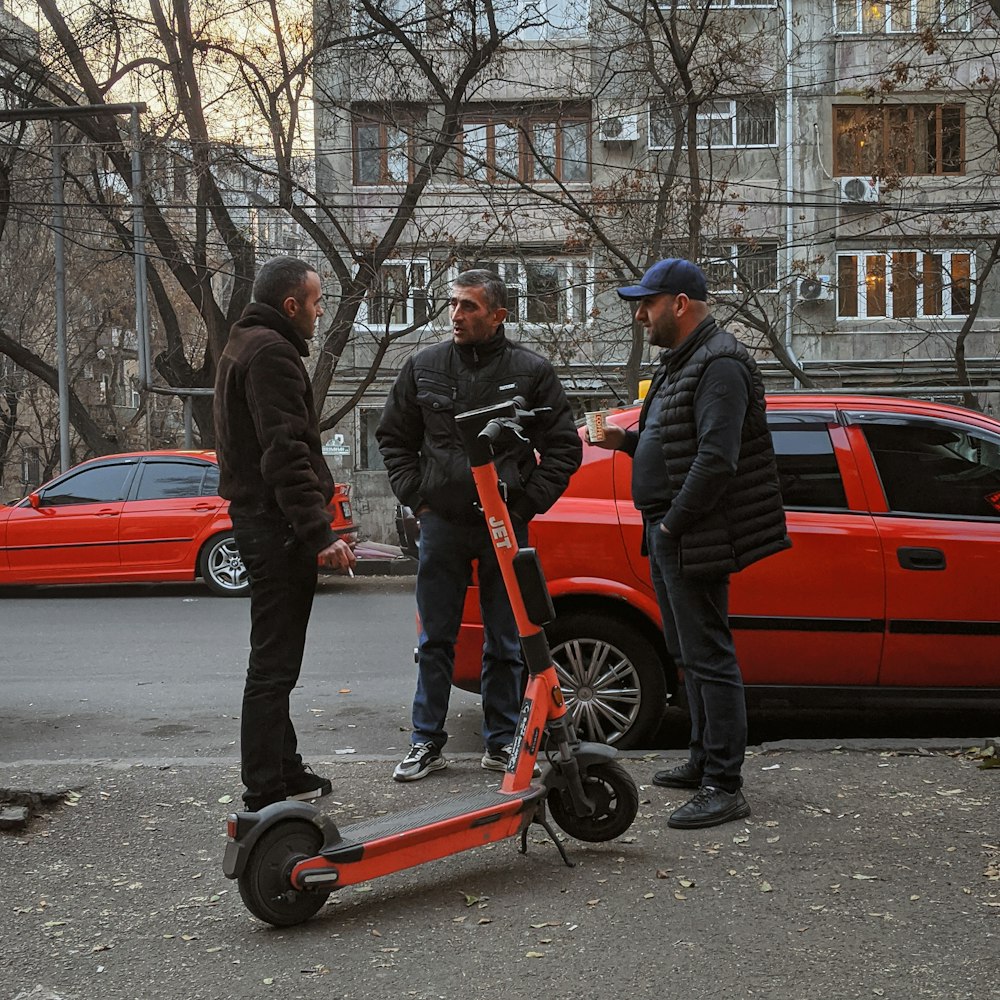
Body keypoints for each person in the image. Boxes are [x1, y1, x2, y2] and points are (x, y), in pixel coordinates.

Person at [589, 258, 790, 830]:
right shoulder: (685, 360)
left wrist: (673, 524)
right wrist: (625, 440)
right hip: (671, 527)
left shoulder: (720, 363)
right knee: (687, 652)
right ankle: (704, 759)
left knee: (709, 655)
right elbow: (673, 441)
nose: (639, 314)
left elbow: (716, 458)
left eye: (647, 303)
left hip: (692, 531)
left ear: (680, 303)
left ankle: (724, 784)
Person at [377, 268, 582, 781]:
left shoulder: (531, 371)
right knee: (435, 641)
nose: (456, 315)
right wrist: (418, 498)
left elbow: (563, 448)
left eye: (469, 306)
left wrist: (523, 507)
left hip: (504, 526)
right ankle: (426, 741)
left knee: (507, 639)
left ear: (498, 315)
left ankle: (500, 742)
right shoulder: (423, 367)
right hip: (442, 523)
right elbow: (393, 438)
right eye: (453, 305)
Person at [214, 256, 356, 811]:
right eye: (317, 302)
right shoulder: (272, 353)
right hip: (275, 528)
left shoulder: (245, 342)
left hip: (261, 522)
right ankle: (264, 791)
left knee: (277, 659)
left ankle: (284, 769)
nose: (320, 313)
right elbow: (284, 453)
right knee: (273, 665)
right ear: (290, 305)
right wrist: (320, 535)